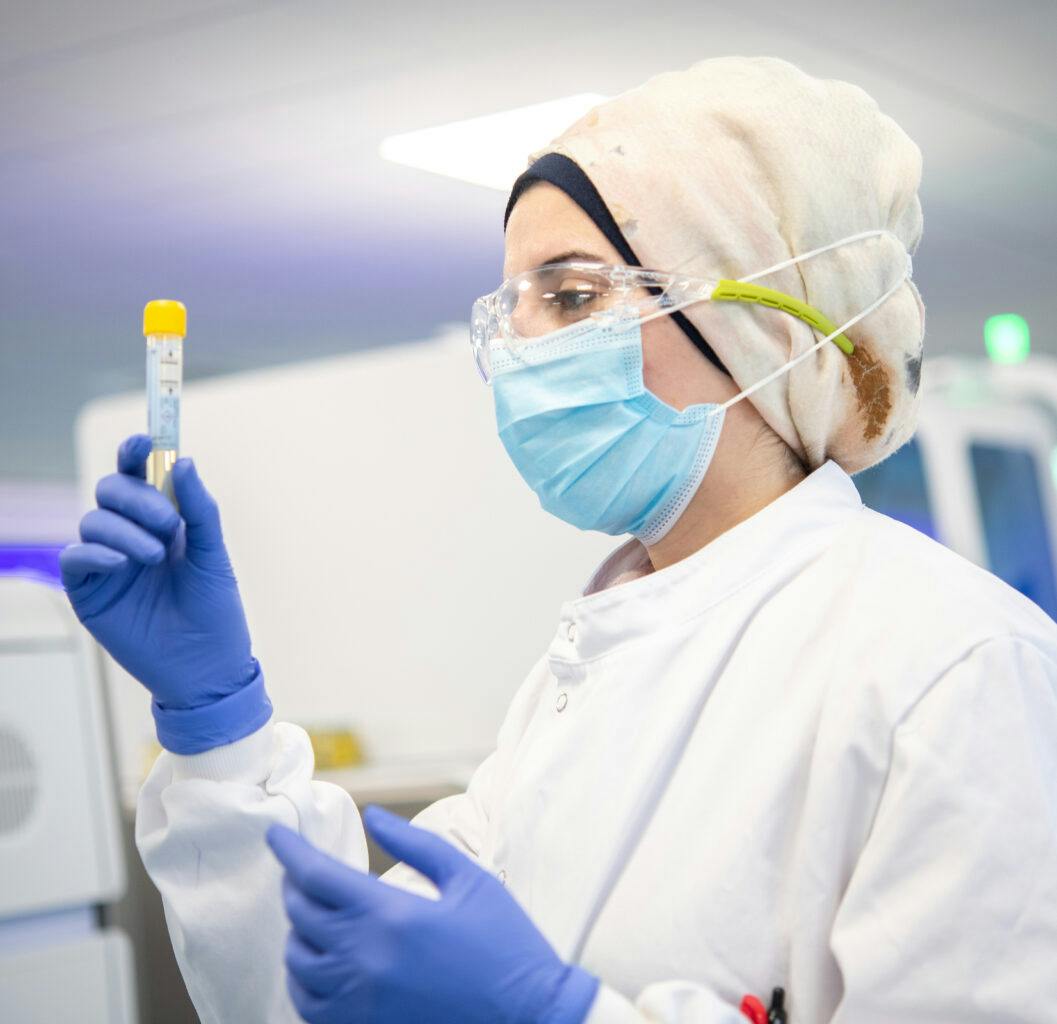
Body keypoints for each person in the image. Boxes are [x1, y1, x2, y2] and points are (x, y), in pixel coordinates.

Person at [61, 56, 1057, 1024]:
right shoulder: (582, 678)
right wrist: (215, 722)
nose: (517, 347)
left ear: (760, 328)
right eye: (511, 308)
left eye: (571, 296)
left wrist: (557, 1012)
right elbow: (331, 989)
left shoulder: (954, 666)